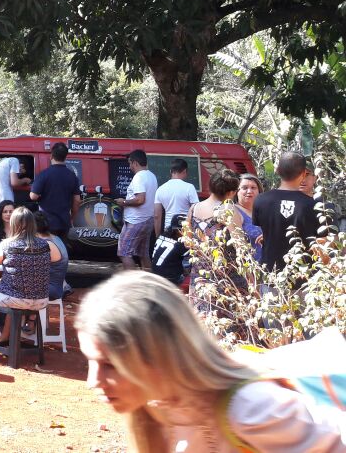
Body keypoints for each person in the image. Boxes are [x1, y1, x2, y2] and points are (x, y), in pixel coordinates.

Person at [77, 270, 345, 452]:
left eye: (110, 365)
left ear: (160, 356)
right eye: (91, 361)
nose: (93, 381)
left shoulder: (252, 408)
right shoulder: (154, 407)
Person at [0, 207, 60, 356]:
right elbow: (57, 257)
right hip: (41, 300)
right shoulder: (46, 244)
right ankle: (5, 339)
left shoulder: (7, 244)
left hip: (13, 297)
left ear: (14, 224)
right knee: (12, 298)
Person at [252, 152, 319, 273]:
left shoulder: (260, 200)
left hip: (270, 273)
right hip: (304, 275)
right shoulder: (314, 205)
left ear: (277, 171)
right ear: (304, 173)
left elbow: (266, 230)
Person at [186, 169, 243, 307]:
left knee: (201, 314)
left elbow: (188, 243)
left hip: (199, 272)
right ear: (231, 192)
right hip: (226, 274)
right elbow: (240, 246)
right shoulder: (228, 210)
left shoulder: (194, 208)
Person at [115, 149, 158, 270]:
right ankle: (149, 280)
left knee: (124, 253)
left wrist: (123, 202)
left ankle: (133, 280)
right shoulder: (152, 176)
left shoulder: (139, 177)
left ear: (135, 162)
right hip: (148, 219)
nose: (129, 167)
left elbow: (140, 199)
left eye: (130, 163)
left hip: (136, 221)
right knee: (143, 254)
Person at [29, 142, 81, 237]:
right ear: (65, 157)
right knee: (61, 245)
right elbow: (77, 200)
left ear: (51, 156)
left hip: (46, 222)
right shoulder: (72, 176)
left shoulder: (44, 174)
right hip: (64, 222)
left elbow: (33, 196)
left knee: (47, 245)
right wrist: (72, 218)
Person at [153, 158, 199, 236]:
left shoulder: (160, 189)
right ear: (185, 171)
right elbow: (196, 210)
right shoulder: (189, 187)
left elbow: (157, 216)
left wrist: (158, 236)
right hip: (185, 230)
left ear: (170, 171)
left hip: (168, 230)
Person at [151, 213, 189, 287]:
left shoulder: (162, 236)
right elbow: (186, 268)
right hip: (170, 279)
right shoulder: (181, 245)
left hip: (155, 274)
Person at [235, 173, 264, 262]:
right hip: (248, 266)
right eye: (244, 188)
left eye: (253, 188)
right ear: (236, 191)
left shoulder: (265, 211)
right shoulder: (234, 211)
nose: (249, 191)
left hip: (270, 265)